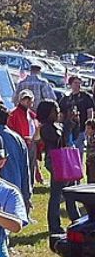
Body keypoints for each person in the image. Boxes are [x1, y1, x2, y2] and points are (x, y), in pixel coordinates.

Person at [37, 99, 81, 234]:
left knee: (71, 191)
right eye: (54, 110)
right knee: (56, 194)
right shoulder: (46, 128)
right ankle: (54, 225)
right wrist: (67, 125)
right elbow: (58, 142)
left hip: (64, 160)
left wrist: (74, 123)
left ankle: (76, 218)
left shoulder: (58, 125)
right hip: (56, 161)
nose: (57, 112)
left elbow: (71, 136)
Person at [0, 103, 32, 208]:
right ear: (7, 119)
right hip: (12, 192)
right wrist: (26, 196)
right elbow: (25, 169)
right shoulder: (17, 139)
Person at [58, 76, 94, 150]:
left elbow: (90, 112)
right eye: (75, 83)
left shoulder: (86, 97)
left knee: (79, 150)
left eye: (79, 83)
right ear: (70, 84)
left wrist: (90, 127)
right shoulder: (66, 98)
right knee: (68, 150)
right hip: (68, 130)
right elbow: (61, 114)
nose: (78, 85)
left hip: (81, 129)